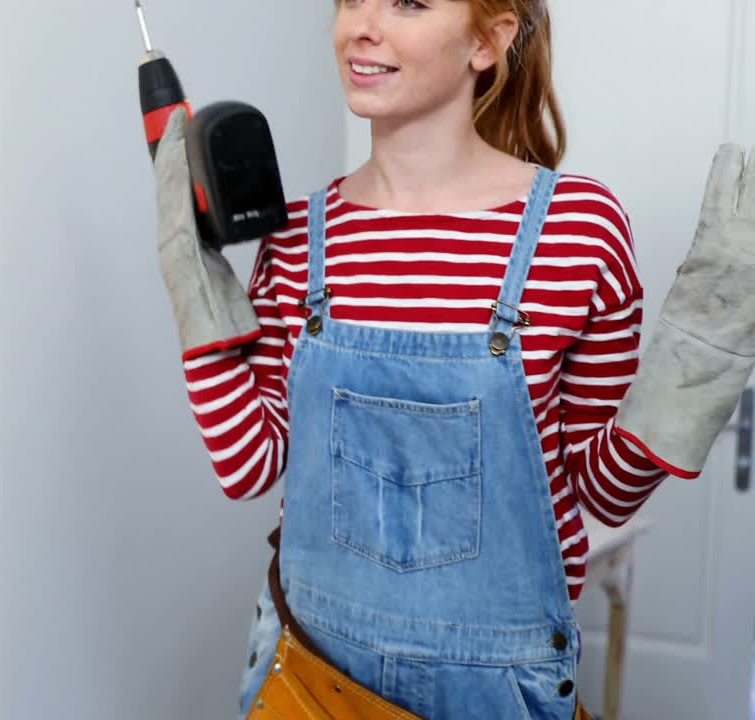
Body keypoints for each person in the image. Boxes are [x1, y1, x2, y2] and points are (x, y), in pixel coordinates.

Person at [151, 0, 755, 718]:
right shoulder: (299, 238)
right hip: (309, 679)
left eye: (408, 2)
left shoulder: (577, 230)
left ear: (489, 40)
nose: (362, 26)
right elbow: (248, 465)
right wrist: (197, 291)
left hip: (500, 693)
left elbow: (601, 493)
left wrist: (696, 367)